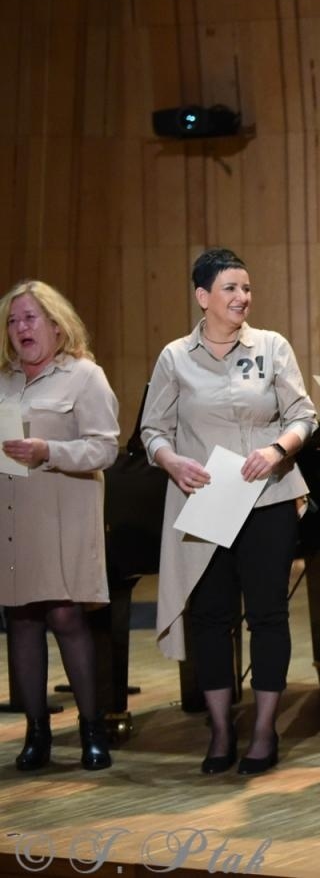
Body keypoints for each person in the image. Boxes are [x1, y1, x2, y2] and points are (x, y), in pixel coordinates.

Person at [143, 249, 317, 776]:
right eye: (230, 289)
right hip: (206, 500)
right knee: (212, 617)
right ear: (203, 297)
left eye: (247, 288)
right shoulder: (175, 357)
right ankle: (220, 728)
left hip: (268, 496)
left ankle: (264, 731)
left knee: (267, 614)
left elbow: (303, 414)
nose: (242, 297)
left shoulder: (271, 347)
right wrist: (171, 460)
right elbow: (152, 431)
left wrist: (277, 450)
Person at [1, 281, 119, 772]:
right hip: (14, 517)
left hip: (64, 514)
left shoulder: (84, 376)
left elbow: (105, 448)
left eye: (29, 318)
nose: (20, 328)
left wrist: (50, 451)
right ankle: (37, 734)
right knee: (22, 621)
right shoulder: (5, 381)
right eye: (12, 321)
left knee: (67, 616)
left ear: (55, 323)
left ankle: (93, 729)